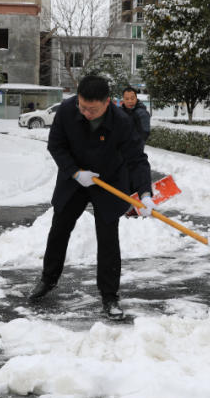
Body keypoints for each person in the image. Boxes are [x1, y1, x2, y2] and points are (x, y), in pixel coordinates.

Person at [29, 75, 154, 320]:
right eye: (82, 107)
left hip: (108, 180)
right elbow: (56, 145)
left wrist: (145, 193)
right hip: (74, 178)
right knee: (59, 229)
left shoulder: (121, 121)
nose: (86, 112)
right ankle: (48, 279)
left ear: (107, 102)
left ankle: (109, 296)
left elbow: (137, 159)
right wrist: (75, 172)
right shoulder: (67, 110)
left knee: (108, 239)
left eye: (92, 109)